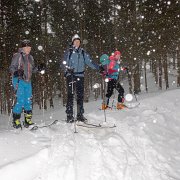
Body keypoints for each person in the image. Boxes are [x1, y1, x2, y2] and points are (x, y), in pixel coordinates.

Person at [63, 34, 103, 123]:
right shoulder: (69, 52)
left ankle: (80, 115)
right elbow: (63, 63)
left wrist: (98, 68)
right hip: (71, 76)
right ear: (72, 42)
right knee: (70, 96)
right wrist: (67, 69)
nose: (77, 43)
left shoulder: (82, 52)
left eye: (78, 41)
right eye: (75, 41)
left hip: (80, 76)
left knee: (80, 96)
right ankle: (69, 116)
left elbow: (90, 62)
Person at [9, 39, 45, 129]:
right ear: (22, 47)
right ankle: (16, 120)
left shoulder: (31, 57)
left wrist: (39, 68)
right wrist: (16, 72)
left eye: (29, 47)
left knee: (28, 100)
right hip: (18, 80)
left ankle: (27, 121)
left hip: (28, 81)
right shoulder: (18, 56)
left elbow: (32, 70)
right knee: (20, 100)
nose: (28, 48)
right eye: (26, 47)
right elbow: (11, 67)